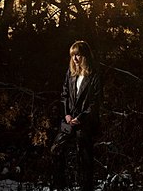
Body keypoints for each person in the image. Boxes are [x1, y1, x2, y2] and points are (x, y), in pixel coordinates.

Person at [51, 40, 102, 191]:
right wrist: (66, 114)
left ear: (85, 55)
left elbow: (95, 103)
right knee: (55, 149)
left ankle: (85, 188)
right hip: (69, 119)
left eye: (78, 55)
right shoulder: (70, 73)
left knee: (84, 158)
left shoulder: (94, 74)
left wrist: (80, 118)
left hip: (85, 122)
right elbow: (64, 95)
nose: (74, 58)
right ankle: (60, 186)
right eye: (73, 55)